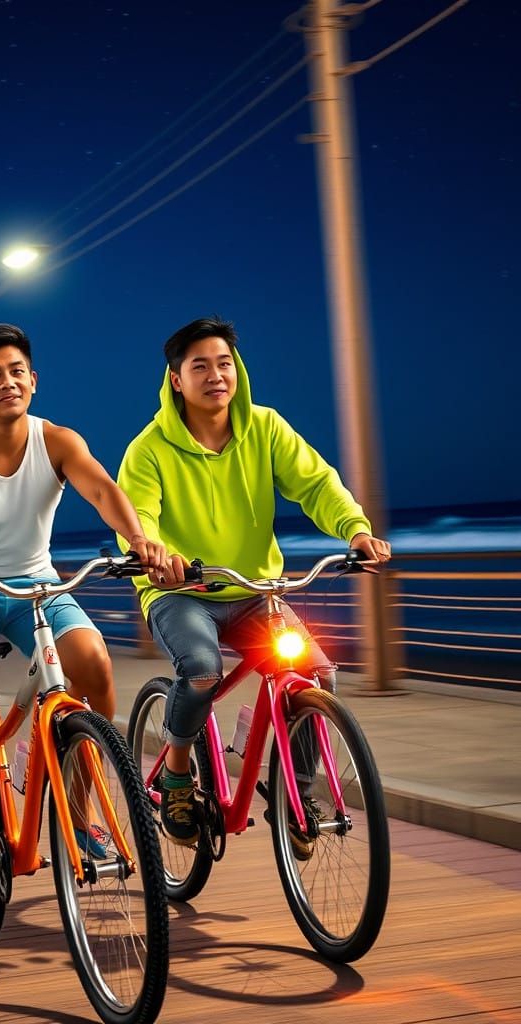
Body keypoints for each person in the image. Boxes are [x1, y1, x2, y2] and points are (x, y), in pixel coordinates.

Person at [116, 315, 392, 851]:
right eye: (200, 366)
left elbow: (316, 484)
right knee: (201, 670)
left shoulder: (265, 427)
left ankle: (295, 796)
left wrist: (355, 530)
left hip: (254, 592)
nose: (215, 375)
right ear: (176, 379)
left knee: (314, 673)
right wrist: (153, 552)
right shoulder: (148, 449)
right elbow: (138, 516)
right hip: (181, 593)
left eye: (224, 363)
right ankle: (176, 776)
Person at [0, 323, 167, 851]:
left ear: (34, 380)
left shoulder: (58, 441)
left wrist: (138, 540)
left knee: (93, 660)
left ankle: (80, 801)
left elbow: (102, 490)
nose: (8, 382)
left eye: (17, 371)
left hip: (38, 581)